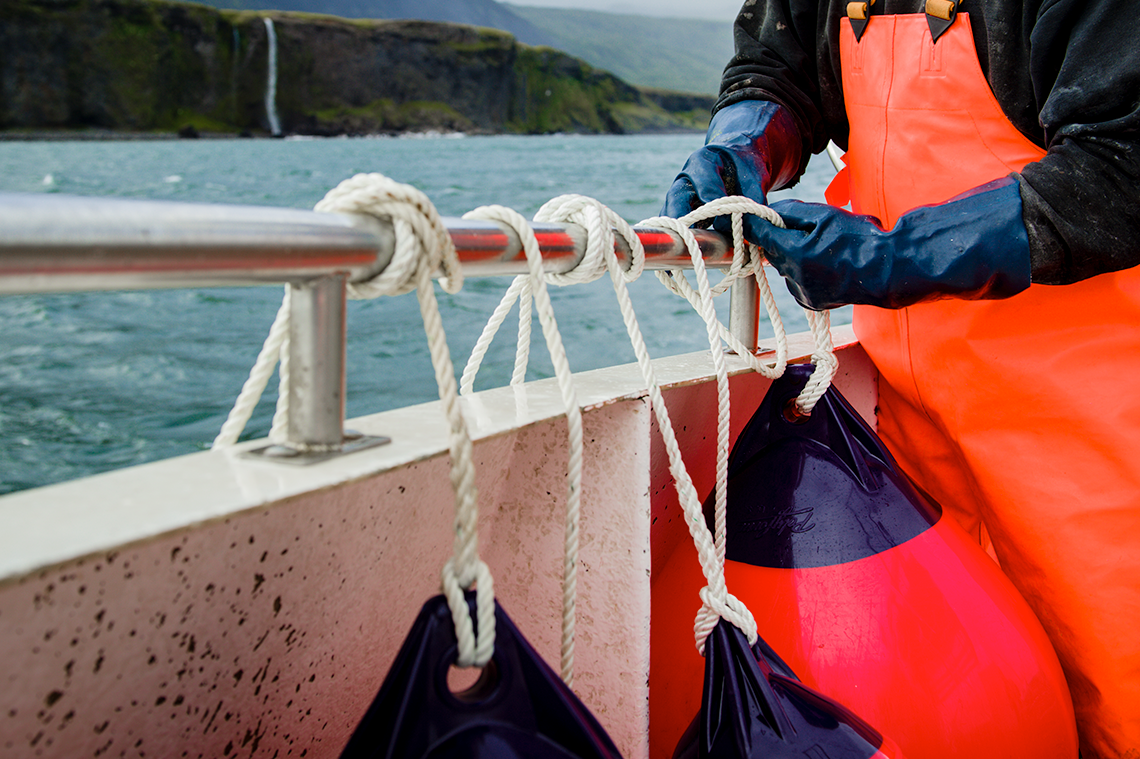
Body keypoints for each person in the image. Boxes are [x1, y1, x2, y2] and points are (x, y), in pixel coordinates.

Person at [662, 0, 1140, 756]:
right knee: (972, 712)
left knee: (1121, 708)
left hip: (1095, 439)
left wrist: (894, 256)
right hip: (913, 439)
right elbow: (779, 67)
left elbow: (1123, 162)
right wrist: (743, 146)